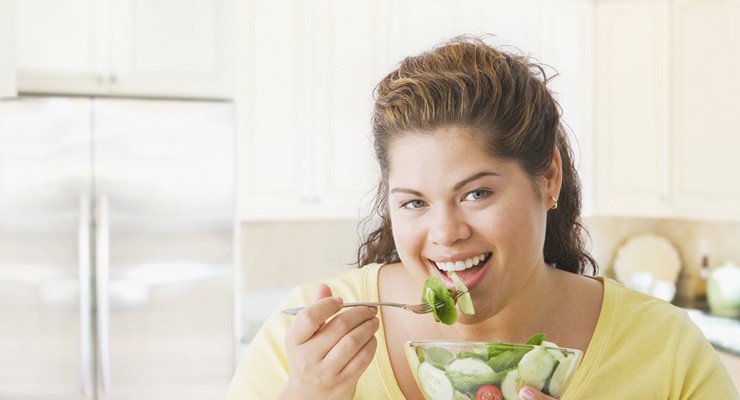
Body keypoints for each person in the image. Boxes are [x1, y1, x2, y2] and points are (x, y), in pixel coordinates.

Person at [224, 36, 738, 400]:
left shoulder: (663, 348)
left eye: (476, 194)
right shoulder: (312, 337)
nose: (446, 234)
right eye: (414, 203)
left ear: (548, 177)